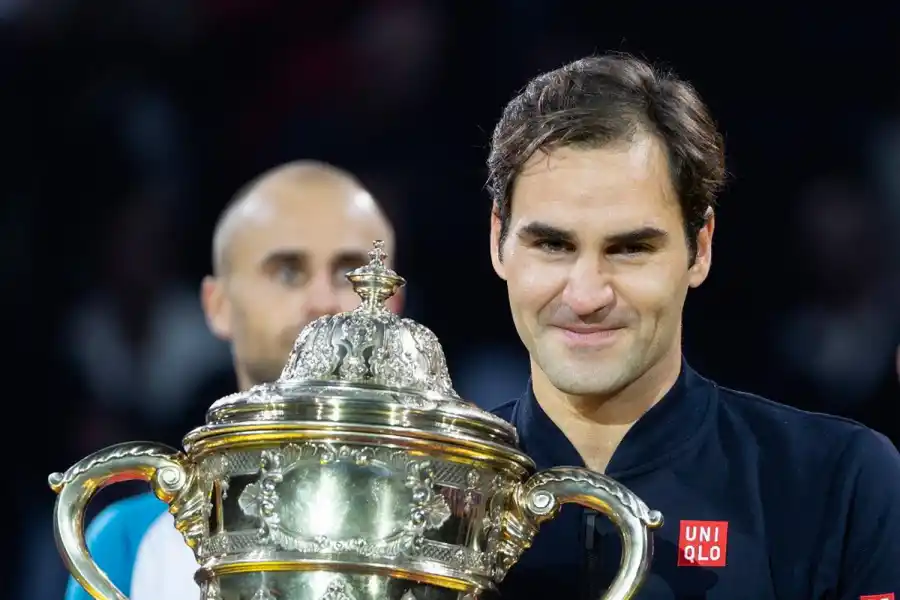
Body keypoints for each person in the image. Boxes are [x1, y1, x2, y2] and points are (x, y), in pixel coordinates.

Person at [485, 53, 900, 599]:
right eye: (553, 245)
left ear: (699, 248)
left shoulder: (838, 482)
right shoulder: (426, 491)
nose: (586, 295)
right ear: (498, 242)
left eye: (631, 248)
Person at [64, 161, 401, 600]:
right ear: (217, 304)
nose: (323, 300)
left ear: (395, 301)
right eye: (287, 271)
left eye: (350, 273)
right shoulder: (129, 546)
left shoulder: (464, 530)